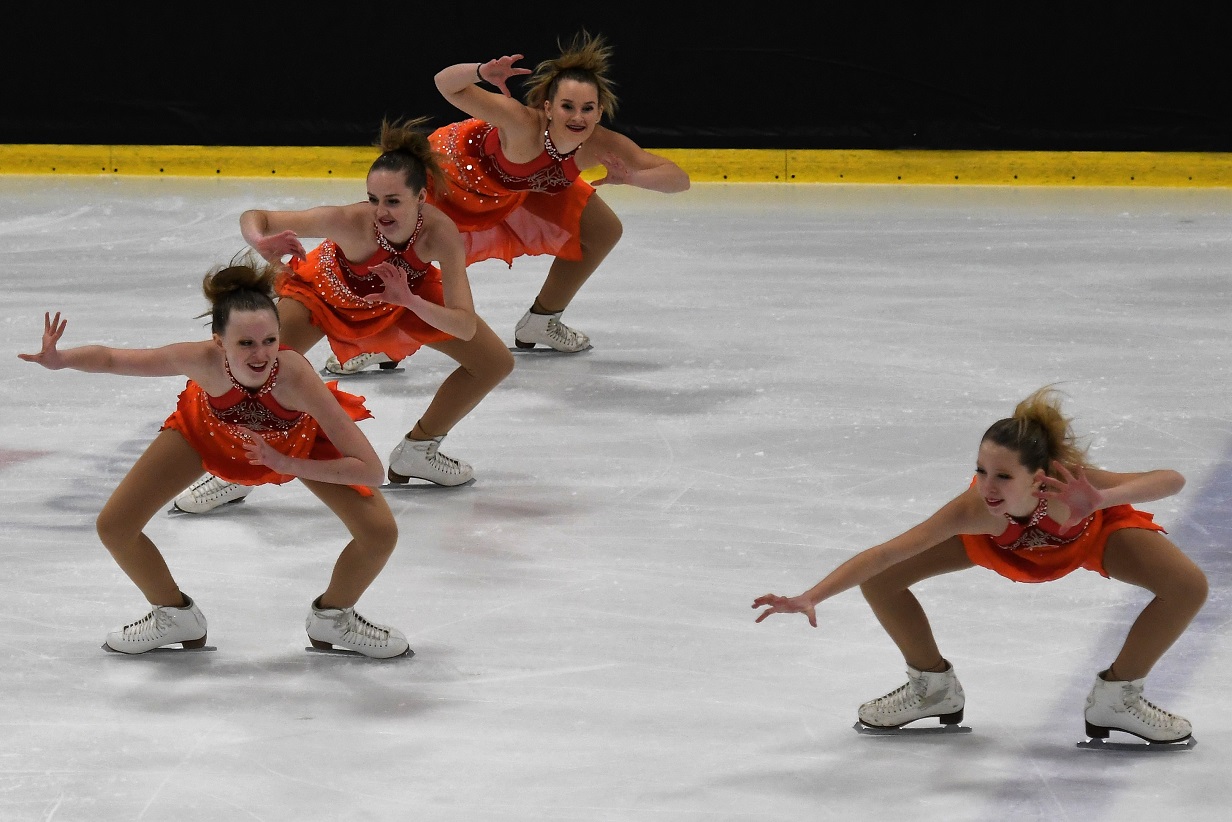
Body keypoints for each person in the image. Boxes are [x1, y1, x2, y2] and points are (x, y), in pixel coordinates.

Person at [752, 386, 1208, 744]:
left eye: (1003, 476)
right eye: (981, 471)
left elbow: (1172, 480)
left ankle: (1118, 698)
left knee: (1187, 586)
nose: (987, 486)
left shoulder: (1069, 486)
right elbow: (885, 554)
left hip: (1088, 537)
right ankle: (933, 688)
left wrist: (1101, 499)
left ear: (1039, 475)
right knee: (883, 580)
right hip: (1003, 546)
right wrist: (811, 596)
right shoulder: (976, 510)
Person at [17, 258, 410, 657]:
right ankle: (174, 615)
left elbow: (371, 470)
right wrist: (61, 360)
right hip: (207, 434)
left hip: (294, 445)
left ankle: (333, 618)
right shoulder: (202, 360)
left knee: (380, 533)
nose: (260, 355)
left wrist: (286, 464)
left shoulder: (296, 378)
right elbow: (114, 359)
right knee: (115, 526)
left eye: (269, 341)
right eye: (245, 343)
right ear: (219, 341)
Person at [173, 117, 514, 514]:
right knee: (253, 368)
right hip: (325, 296)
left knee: (493, 362)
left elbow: (465, 324)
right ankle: (233, 469)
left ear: (421, 196)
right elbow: (256, 216)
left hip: (397, 298)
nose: (380, 211)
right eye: (373, 199)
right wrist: (260, 240)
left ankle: (419, 450)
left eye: (393, 201)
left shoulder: (440, 234)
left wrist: (409, 300)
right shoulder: (350, 222)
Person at [358, 30, 688, 359]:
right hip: (455, 176)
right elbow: (445, 84)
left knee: (604, 230)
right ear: (548, 107)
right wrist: (480, 71)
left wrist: (632, 178)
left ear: (599, 112)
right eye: (567, 106)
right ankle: (378, 337)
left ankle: (542, 321)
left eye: (587, 108)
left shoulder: (601, 144)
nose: (577, 117)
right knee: (403, 248)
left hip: (519, 189)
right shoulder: (520, 123)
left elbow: (679, 179)